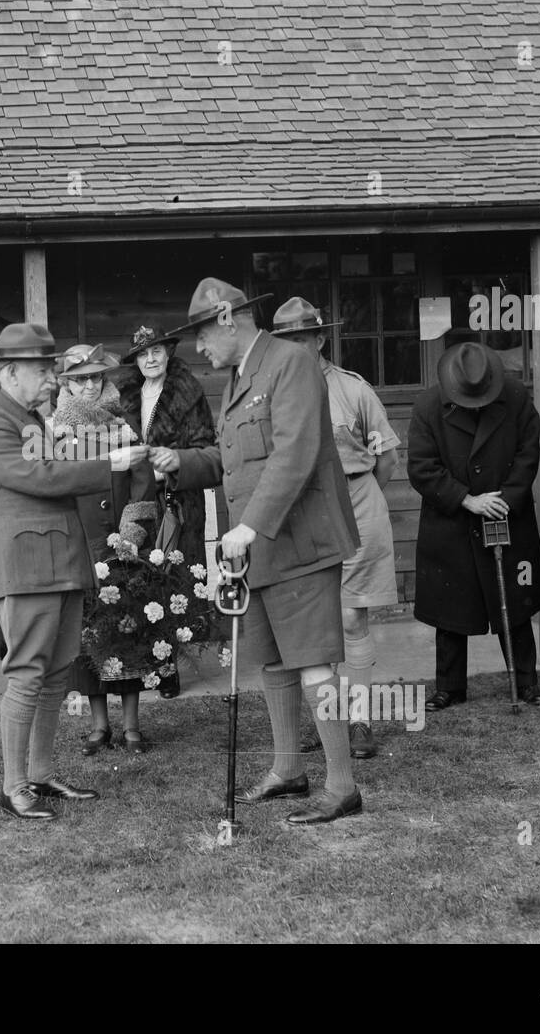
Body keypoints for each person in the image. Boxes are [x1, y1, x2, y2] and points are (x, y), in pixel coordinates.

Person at [156, 277, 364, 826]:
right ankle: (287, 770)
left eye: (201, 334)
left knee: (314, 662)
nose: (199, 348)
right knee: (272, 660)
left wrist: (249, 527)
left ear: (228, 317)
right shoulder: (238, 377)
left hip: (300, 542)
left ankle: (342, 786)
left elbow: (296, 453)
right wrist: (180, 461)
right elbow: (234, 463)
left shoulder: (290, 362)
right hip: (260, 548)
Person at [0, 323, 147, 820]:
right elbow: (38, 478)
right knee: (27, 675)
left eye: (52, 369)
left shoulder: (30, 420)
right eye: (43, 370)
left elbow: (54, 473)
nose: (53, 378)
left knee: (55, 674)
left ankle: (40, 775)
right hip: (26, 567)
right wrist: (110, 463)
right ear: (8, 373)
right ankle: (12, 786)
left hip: (59, 562)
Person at [271, 298, 399, 760]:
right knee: (312, 622)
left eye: (302, 339)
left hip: (355, 501)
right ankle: (330, 721)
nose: (294, 348)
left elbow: (385, 459)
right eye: (285, 341)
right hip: (301, 513)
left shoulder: (353, 389)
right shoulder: (274, 393)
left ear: (320, 339)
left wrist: (355, 493)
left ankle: (360, 720)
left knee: (350, 616)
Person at [407, 342, 540, 712]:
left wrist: (504, 499)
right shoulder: (427, 407)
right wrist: (467, 500)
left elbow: (528, 452)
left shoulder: (517, 397)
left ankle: (526, 681)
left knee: (514, 603)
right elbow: (422, 468)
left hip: (505, 514)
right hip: (452, 519)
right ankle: (450, 686)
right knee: (450, 604)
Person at [50, 343, 155, 754]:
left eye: (95, 377)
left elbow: (143, 480)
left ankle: (131, 724)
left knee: (127, 631)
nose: (90, 386)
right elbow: (54, 488)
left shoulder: (124, 423)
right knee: (89, 636)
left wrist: (131, 533)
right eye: (80, 379)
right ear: (67, 384)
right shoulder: (56, 431)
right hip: (82, 546)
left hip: (122, 543)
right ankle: (99, 725)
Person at [118, 324, 217, 699]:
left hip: (177, 497)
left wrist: (170, 466)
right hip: (137, 498)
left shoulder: (187, 393)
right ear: (136, 361)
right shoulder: (126, 398)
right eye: (143, 353)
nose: (151, 358)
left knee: (173, 578)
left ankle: (169, 665)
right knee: (138, 576)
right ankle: (145, 660)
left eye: (157, 350)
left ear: (168, 353)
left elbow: (205, 447)